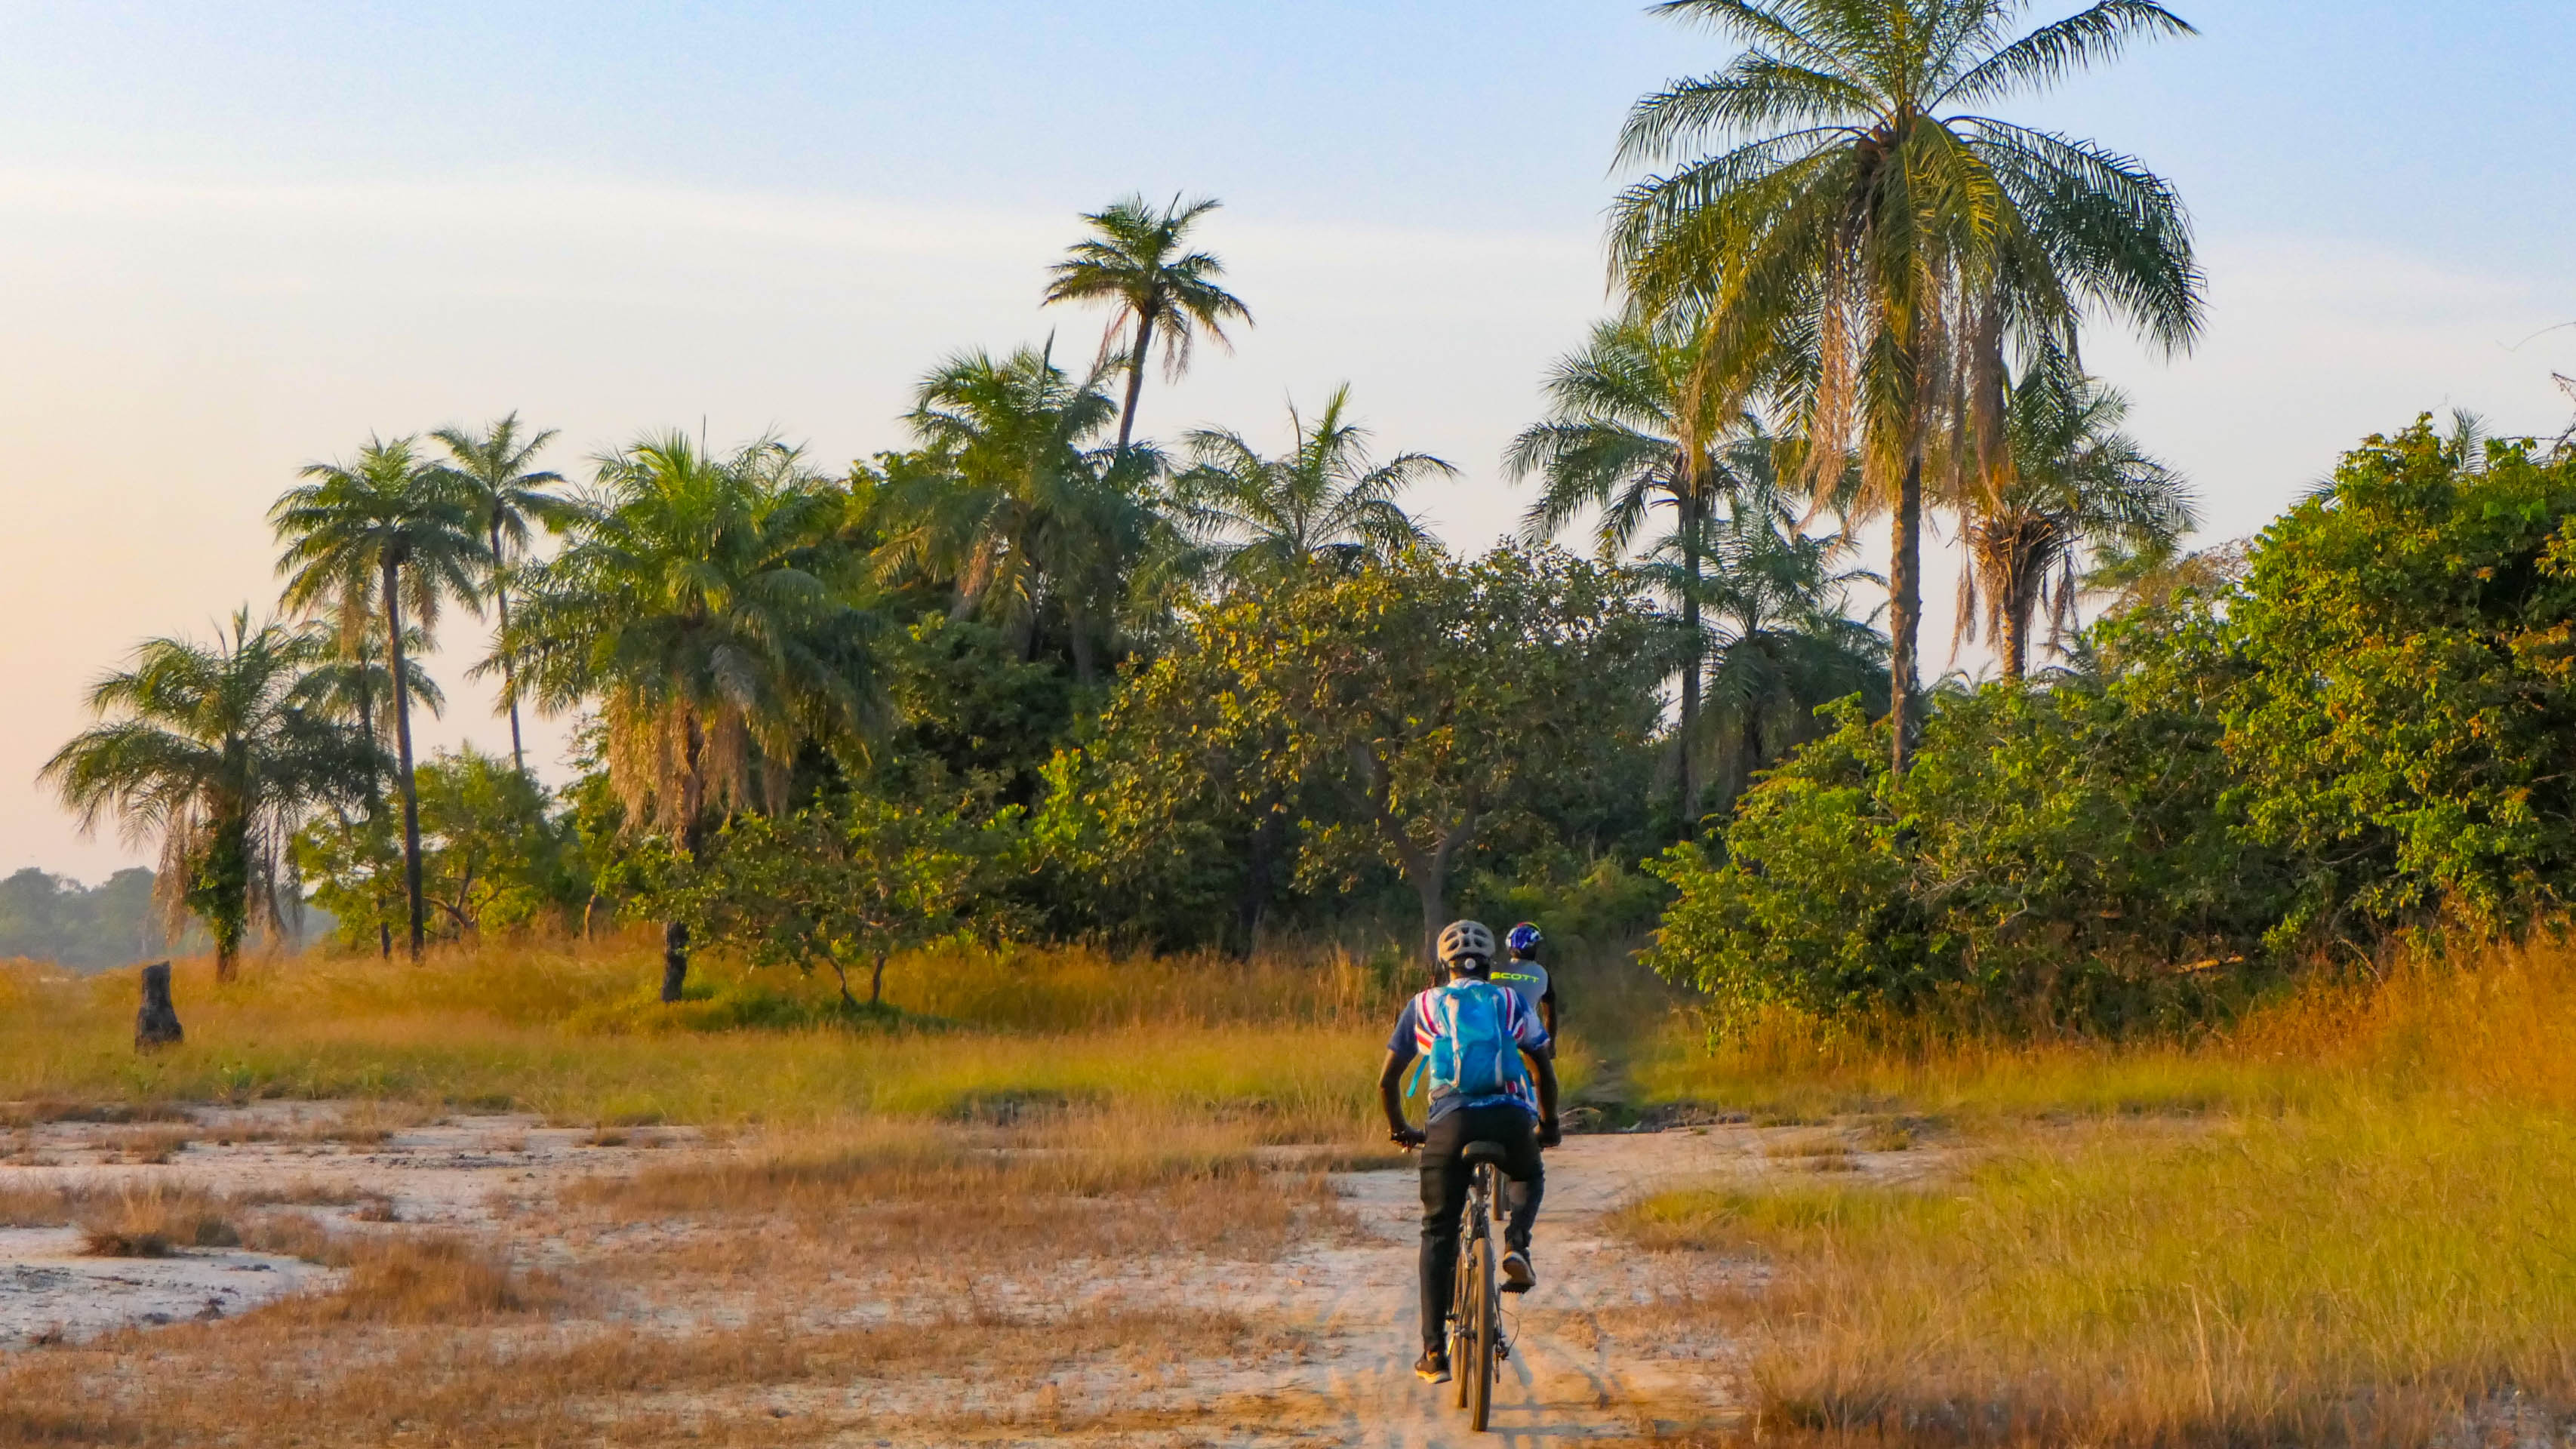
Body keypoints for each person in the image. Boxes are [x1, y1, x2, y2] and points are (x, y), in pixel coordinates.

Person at [1379, 918, 1560, 1386]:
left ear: (1444, 963)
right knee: (1527, 1174)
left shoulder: (1423, 1005)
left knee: (1438, 1230)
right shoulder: (1509, 1000)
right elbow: (1542, 1064)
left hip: (1449, 1124)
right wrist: (1549, 1124)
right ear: (1490, 963)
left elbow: (1388, 1080)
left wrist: (1403, 1129)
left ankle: (1434, 1352)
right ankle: (1517, 1244)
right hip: (1509, 1117)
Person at [1489, 921, 1558, 1047]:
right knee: (1542, 1066)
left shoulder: (1492, 968)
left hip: (1490, 1033)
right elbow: (1550, 1014)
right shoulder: (1542, 973)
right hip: (1524, 1037)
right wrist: (1551, 1046)